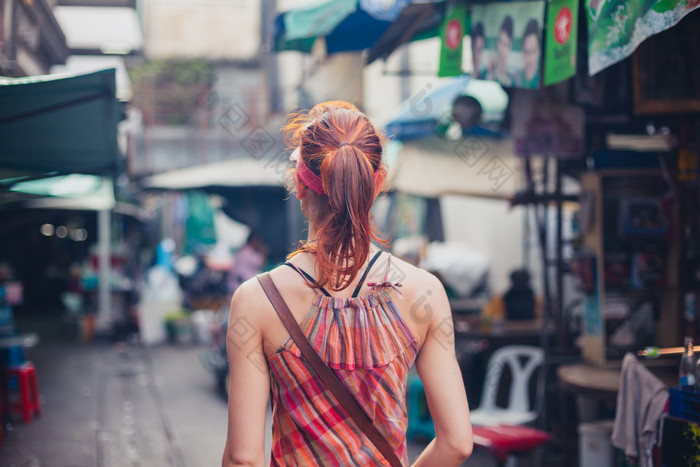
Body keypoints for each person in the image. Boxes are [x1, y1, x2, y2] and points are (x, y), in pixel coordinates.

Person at [222, 101, 472, 466]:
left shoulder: (257, 300)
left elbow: (244, 458)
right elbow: (458, 443)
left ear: (299, 185)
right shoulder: (425, 291)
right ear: (378, 184)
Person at [489, 15, 515, 86]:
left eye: (506, 45)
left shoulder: (512, 76)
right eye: (501, 42)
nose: (502, 49)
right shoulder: (489, 68)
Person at [520, 19, 541, 88]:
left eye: (533, 51)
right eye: (527, 52)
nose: (530, 59)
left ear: (538, 52)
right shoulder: (514, 79)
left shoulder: (541, 79)